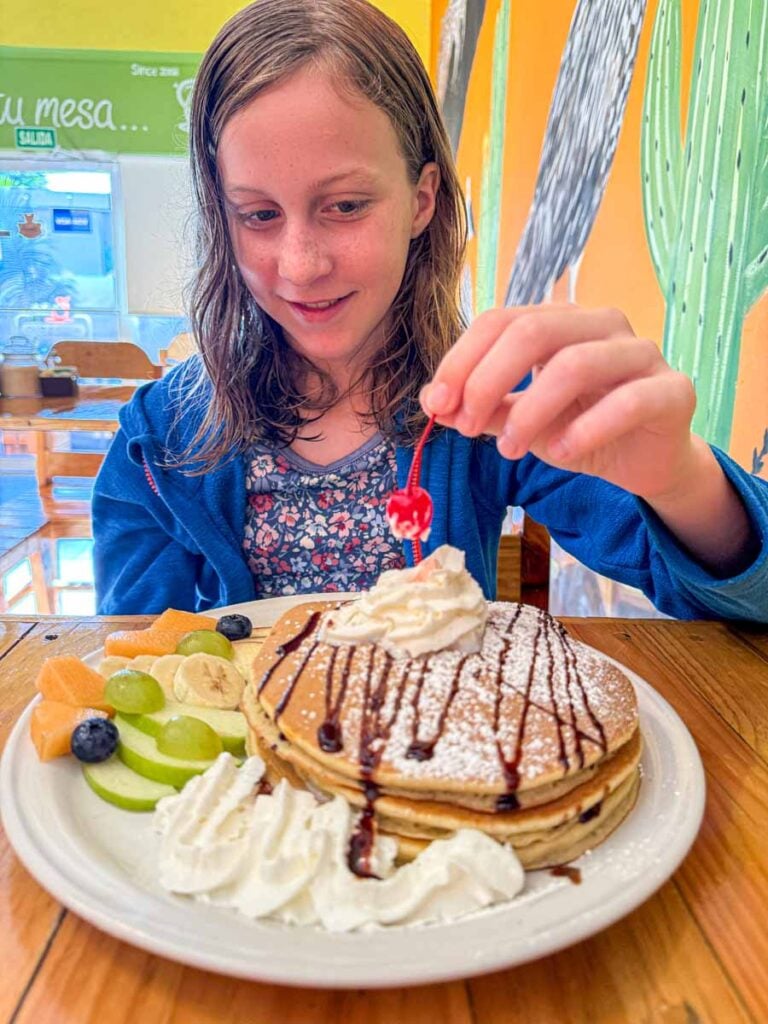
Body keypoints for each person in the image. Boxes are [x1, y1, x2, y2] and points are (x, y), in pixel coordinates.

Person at [93, 0, 768, 622]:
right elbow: (134, 668)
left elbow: (743, 602)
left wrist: (682, 481)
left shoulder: (495, 406)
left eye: (346, 205)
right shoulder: (160, 439)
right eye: (258, 214)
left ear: (422, 200)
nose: (299, 264)